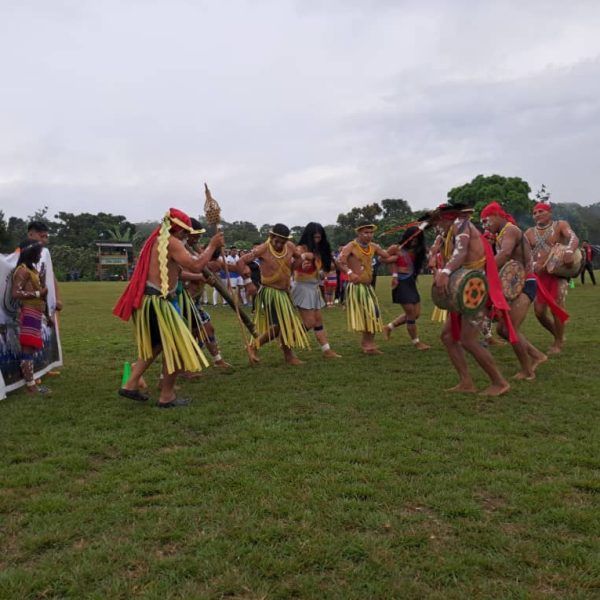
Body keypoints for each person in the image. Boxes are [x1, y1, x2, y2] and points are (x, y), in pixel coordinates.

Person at [113, 208, 224, 408]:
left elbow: (178, 271)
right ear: (176, 229)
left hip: (152, 301)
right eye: (184, 232)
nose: (186, 236)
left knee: (156, 346)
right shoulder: (171, 242)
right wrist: (212, 246)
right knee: (177, 348)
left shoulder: (157, 241)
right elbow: (196, 264)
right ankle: (167, 396)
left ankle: (130, 385)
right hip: (159, 303)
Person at [431, 204, 510, 396]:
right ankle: (466, 382)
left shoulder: (461, 224)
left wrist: (446, 271)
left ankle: (499, 382)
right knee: (448, 337)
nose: (436, 226)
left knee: (468, 339)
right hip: (465, 288)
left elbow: (462, 251)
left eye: (437, 221)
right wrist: (436, 259)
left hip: (476, 288)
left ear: (446, 218)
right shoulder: (450, 232)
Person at [480, 202, 547, 380]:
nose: (486, 225)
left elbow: (505, 254)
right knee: (503, 329)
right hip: (515, 283)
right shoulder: (501, 233)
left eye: (486, 221)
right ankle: (538, 356)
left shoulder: (511, 230)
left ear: (496, 215)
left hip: (526, 283)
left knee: (509, 328)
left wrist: (481, 270)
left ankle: (527, 371)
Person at [237, 223, 309, 365]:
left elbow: (299, 258)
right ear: (271, 237)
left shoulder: (289, 246)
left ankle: (288, 355)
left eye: (283, 242)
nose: (279, 245)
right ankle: (253, 346)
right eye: (277, 241)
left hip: (284, 292)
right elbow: (241, 261)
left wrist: (292, 269)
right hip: (270, 292)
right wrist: (248, 282)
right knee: (279, 326)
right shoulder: (263, 249)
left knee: (287, 324)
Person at [524, 202, 578, 354]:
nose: (537, 214)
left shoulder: (560, 225)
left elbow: (573, 237)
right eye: (534, 213)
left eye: (541, 211)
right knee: (539, 312)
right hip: (539, 277)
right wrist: (533, 264)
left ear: (550, 213)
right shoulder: (528, 232)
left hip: (556, 274)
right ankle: (558, 334)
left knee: (556, 309)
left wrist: (569, 251)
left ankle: (558, 342)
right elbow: (524, 252)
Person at [180, 218, 232, 369]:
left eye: (199, 237)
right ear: (186, 234)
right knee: (193, 334)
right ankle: (183, 366)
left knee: (208, 329)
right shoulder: (178, 250)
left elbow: (206, 265)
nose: (197, 239)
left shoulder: (196, 250)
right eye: (194, 236)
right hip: (182, 300)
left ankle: (217, 359)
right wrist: (199, 277)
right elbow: (178, 274)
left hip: (194, 302)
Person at [337, 222, 397, 354]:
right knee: (370, 314)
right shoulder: (351, 246)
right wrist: (350, 273)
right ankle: (368, 345)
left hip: (368, 287)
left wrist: (398, 251)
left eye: (371, 232)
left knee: (373, 314)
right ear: (359, 233)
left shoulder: (373, 246)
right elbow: (340, 262)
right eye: (366, 232)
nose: (369, 235)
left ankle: (368, 344)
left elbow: (386, 255)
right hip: (357, 288)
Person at [292, 222, 341, 358]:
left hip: (314, 288)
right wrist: (303, 261)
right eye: (314, 237)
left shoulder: (320, 251)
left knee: (318, 321)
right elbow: (293, 266)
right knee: (309, 323)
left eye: (319, 237)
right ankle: (287, 341)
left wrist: (342, 269)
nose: (317, 240)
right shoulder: (300, 249)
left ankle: (326, 350)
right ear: (308, 236)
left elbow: (325, 269)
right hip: (302, 287)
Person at [11, 240, 50, 394]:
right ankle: (31, 385)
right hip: (28, 312)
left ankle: (31, 381)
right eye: (38, 252)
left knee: (31, 347)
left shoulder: (31, 270)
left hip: (35, 311)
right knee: (27, 348)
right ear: (30, 252)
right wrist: (38, 293)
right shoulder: (22, 270)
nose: (40, 255)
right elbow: (15, 293)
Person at [383, 226, 431, 350]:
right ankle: (417, 342)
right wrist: (394, 263)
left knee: (416, 314)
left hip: (411, 282)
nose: (415, 240)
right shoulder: (396, 247)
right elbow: (381, 258)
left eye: (417, 238)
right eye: (413, 237)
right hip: (400, 282)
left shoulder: (418, 250)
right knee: (410, 312)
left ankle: (389, 327)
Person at [27, 221, 63, 313]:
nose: (45, 240)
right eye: (42, 236)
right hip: (29, 307)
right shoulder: (21, 254)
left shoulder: (45, 253)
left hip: (45, 309)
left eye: (46, 237)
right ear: (30, 235)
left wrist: (58, 299)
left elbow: (51, 276)